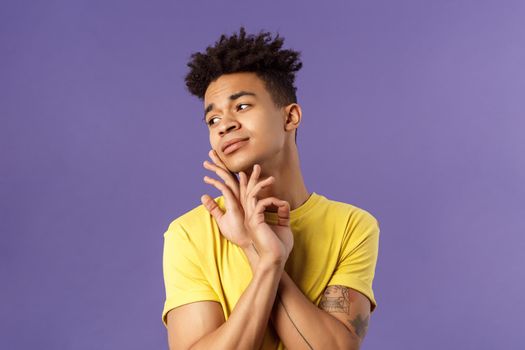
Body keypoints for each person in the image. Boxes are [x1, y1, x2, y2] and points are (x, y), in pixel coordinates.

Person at [162, 26, 380, 350]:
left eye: (242, 106)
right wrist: (265, 259)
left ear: (290, 117)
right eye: (213, 120)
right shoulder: (189, 233)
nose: (225, 125)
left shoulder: (352, 226)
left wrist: (256, 248)